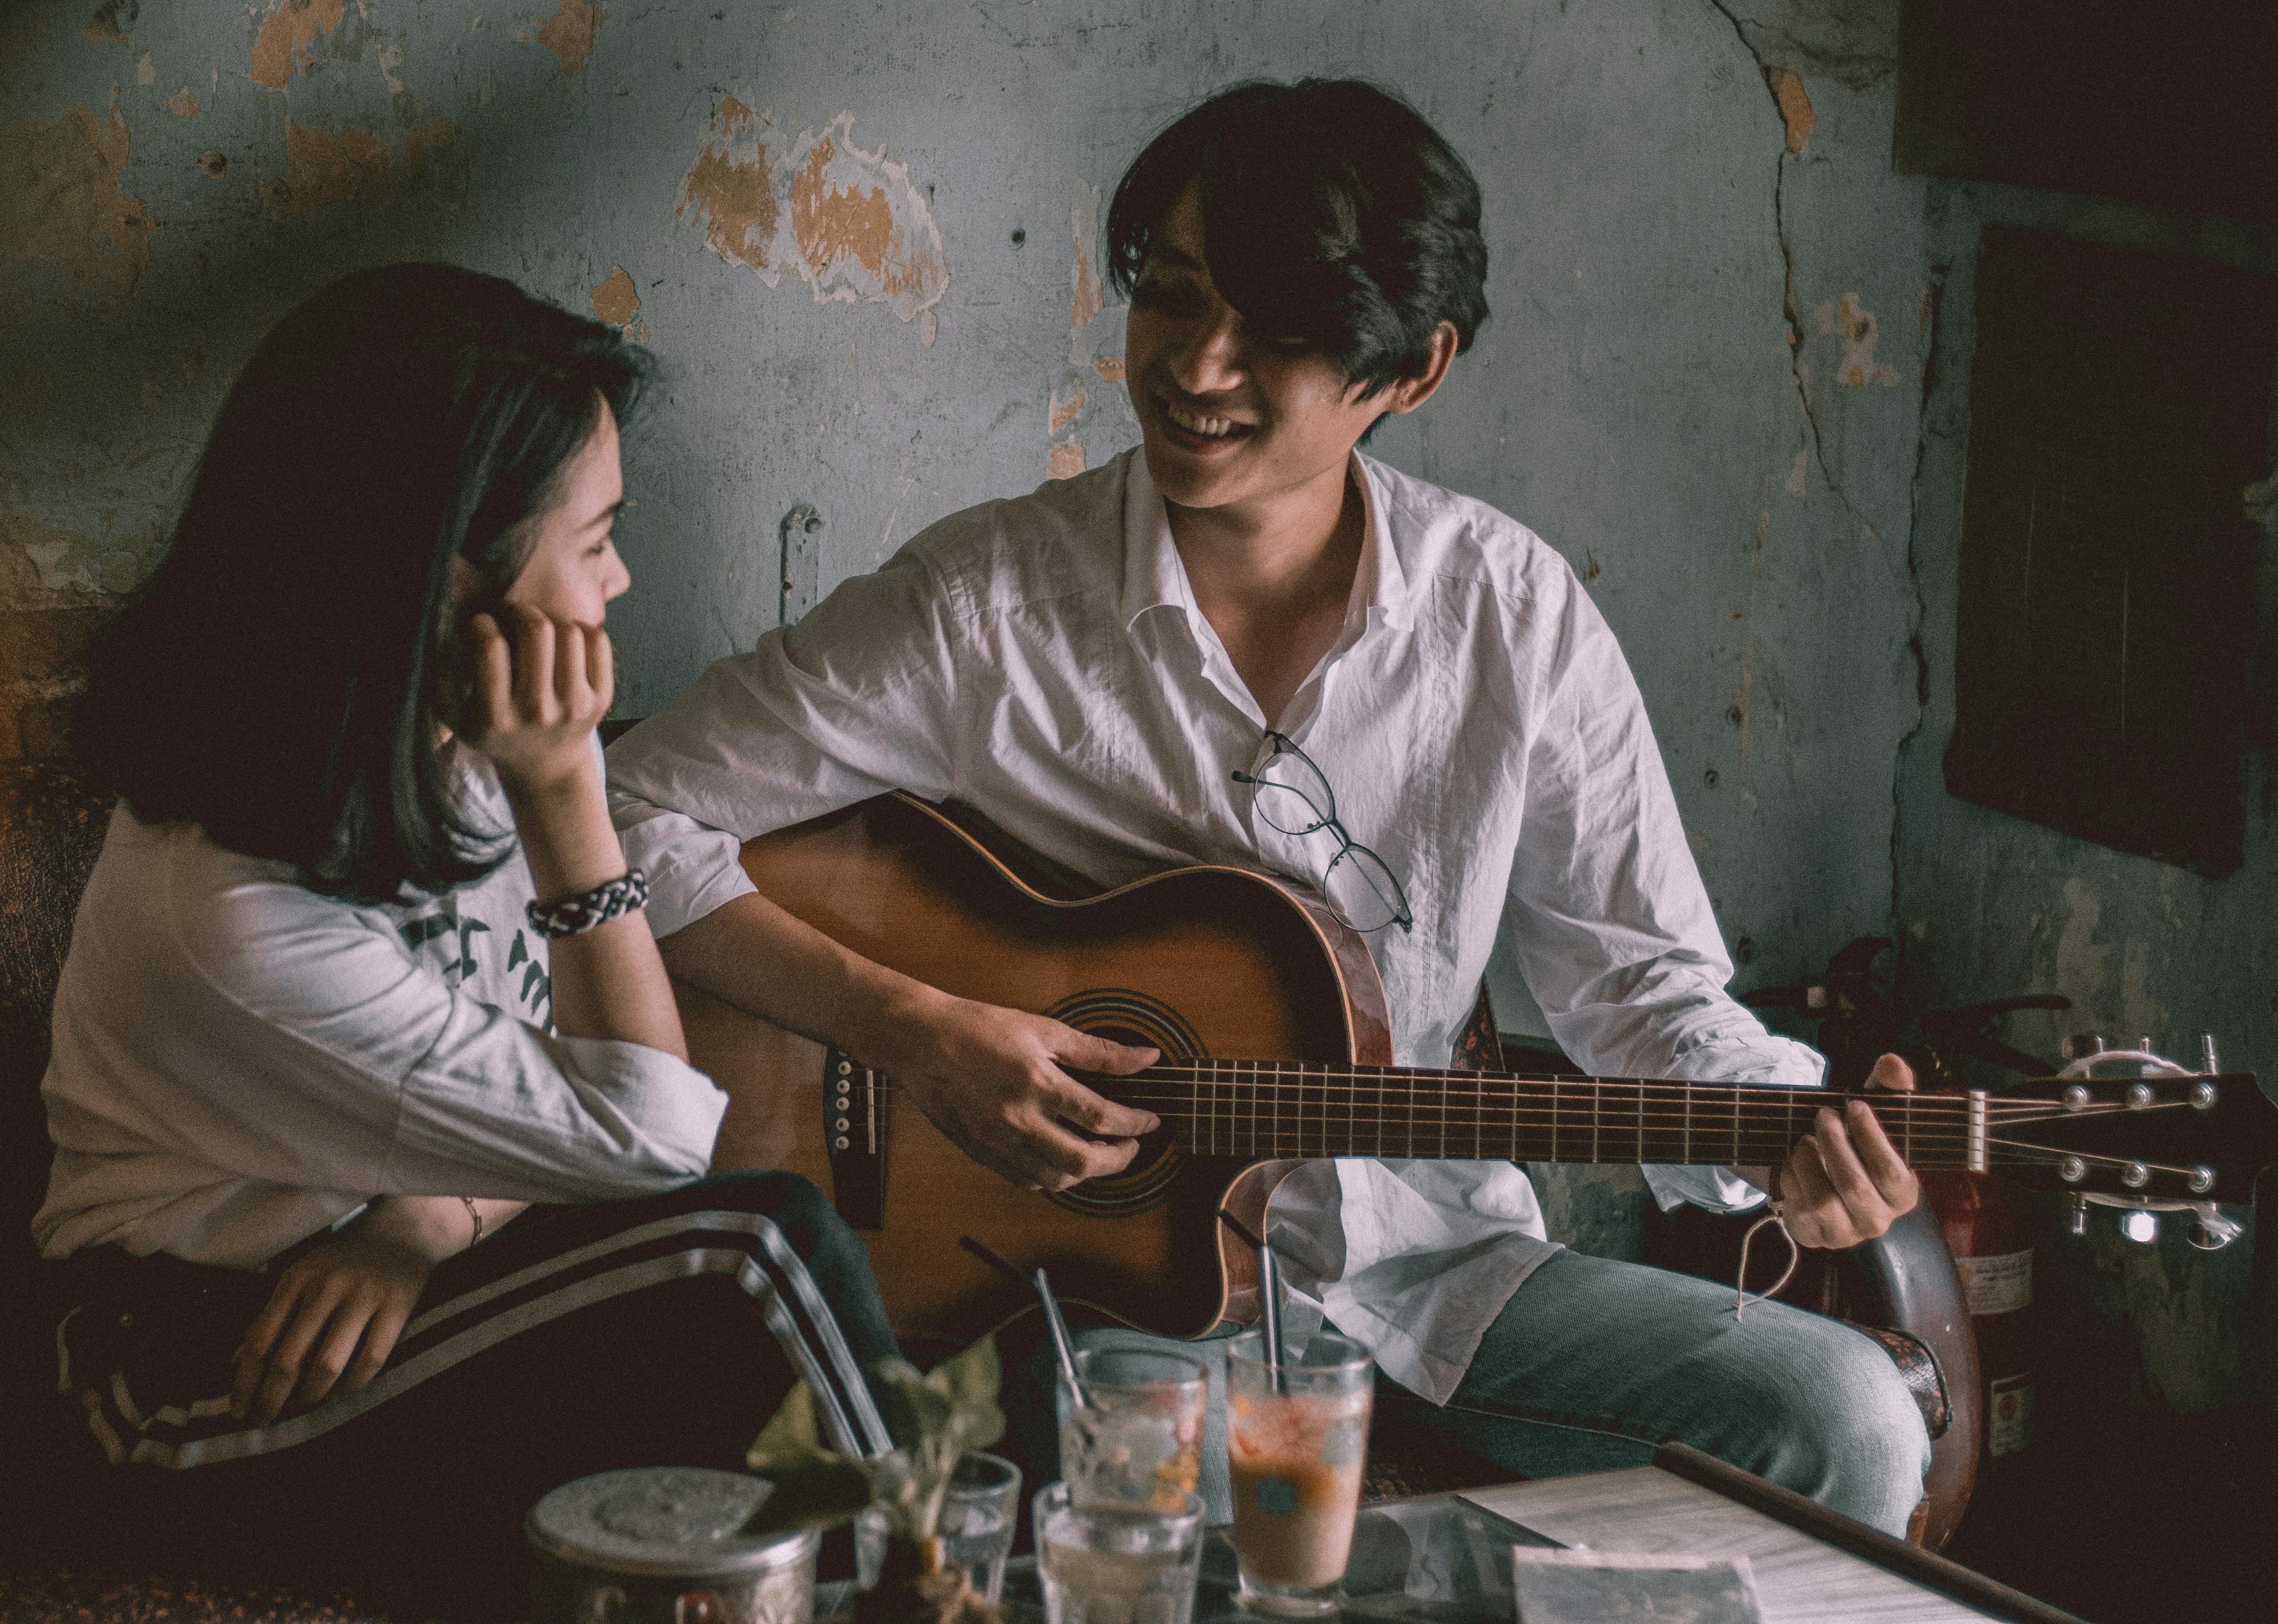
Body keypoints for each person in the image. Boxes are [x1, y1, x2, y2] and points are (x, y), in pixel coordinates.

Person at [607, 81, 1934, 1534]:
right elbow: (628, 814)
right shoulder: (987, 610)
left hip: (1444, 1282)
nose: (1198, 367)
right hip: (1108, 1304)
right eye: (1172, 299)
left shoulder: (1512, 616)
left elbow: (1642, 993)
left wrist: (1778, 1134)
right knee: (1178, 1527)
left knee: (1844, 1418)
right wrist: (918, 1035)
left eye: (1283, 336)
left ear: (1410, 372)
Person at [34, 265, 896, 1611]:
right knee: (753, 1252)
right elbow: (657, 1141)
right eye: (596, 534)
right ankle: (959, 1594)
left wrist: (431, 1214)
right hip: (209, 1370)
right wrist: (567, 793)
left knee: (999, 1362)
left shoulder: (445, 734)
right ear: (446, 569)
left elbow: (595, 1095)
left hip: (422, 1276)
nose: (623, 577)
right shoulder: (226, 919)